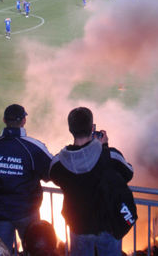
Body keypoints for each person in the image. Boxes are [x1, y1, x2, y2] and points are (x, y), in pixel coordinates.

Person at [49, 107, 133, 256]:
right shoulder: (109, 155)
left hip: (78, 227)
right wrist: (104, 147)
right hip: (108, 227)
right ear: (91, 127)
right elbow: (128, 173)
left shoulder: (59, 162)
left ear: (70, 129)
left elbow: (54, 176)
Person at [0, 104, 53, 252]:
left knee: (0, 252)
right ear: (23, 121)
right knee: (34, 250)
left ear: (4, 120)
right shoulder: (33, 146)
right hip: (26, 212)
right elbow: (51, 171)